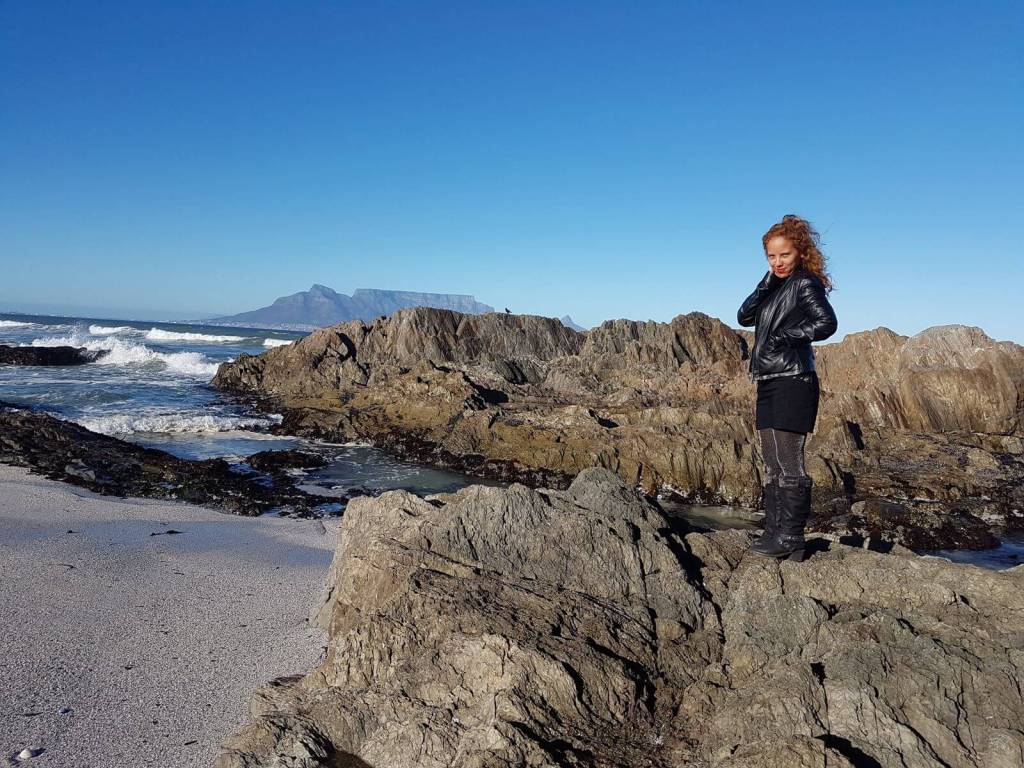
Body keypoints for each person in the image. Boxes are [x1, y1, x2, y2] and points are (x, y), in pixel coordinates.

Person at [736, 214, 838, 561]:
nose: (778, 262)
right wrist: (767, 282)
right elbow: (744, 316)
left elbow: (826, 323)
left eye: (784, 255)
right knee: (771, 462)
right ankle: (774, 530)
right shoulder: (776, 285)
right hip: (768, 380)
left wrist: (783, 336)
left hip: (794, 380)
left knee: (789, 462)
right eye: (771, 256)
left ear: (800, 252)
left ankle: (791, 537)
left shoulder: (805, 283)